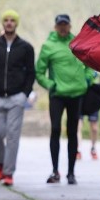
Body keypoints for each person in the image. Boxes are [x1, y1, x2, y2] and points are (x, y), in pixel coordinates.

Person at [35, 14, 94, 185]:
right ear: (55, 26)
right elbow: (39, 72)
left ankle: (71, 173)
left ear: (69, 26)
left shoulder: (77, 42)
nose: (62, 27)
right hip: (58, 94)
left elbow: (89, 64)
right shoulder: (48, 45)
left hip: (76, 93)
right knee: (55, 129)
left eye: (65, 25)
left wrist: (87, 80)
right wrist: (50, 84)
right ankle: (55, 171)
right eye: (60, 25)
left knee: (73, 132)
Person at [0, 10, 36, 187]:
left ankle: (8, 173)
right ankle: (2, 161)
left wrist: (25, 94)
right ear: (2, 23)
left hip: (16, 98)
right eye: (6, 20)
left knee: (13, 136)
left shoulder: (26, 47)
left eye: (12, 20)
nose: (9, 23)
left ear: (17, 23)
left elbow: (30, 73)